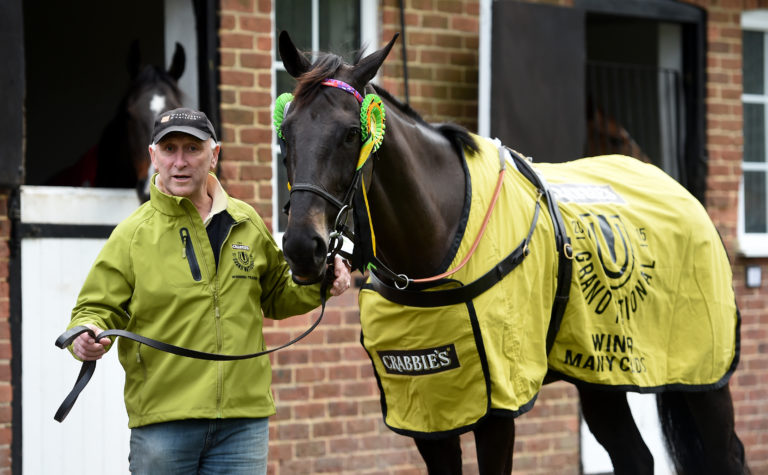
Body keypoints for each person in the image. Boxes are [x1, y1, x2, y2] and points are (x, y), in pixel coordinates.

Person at [65, 107, 351, 474]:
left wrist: (320, 282)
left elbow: (278, 294)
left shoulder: (246, 222)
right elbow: (95, 308)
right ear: (154, 157)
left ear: (214, 155)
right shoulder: (132, 235)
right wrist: (85, 334)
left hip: (242, 424)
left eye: (192, 149)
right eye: (169, 149)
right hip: (164, 424)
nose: (180, 162)